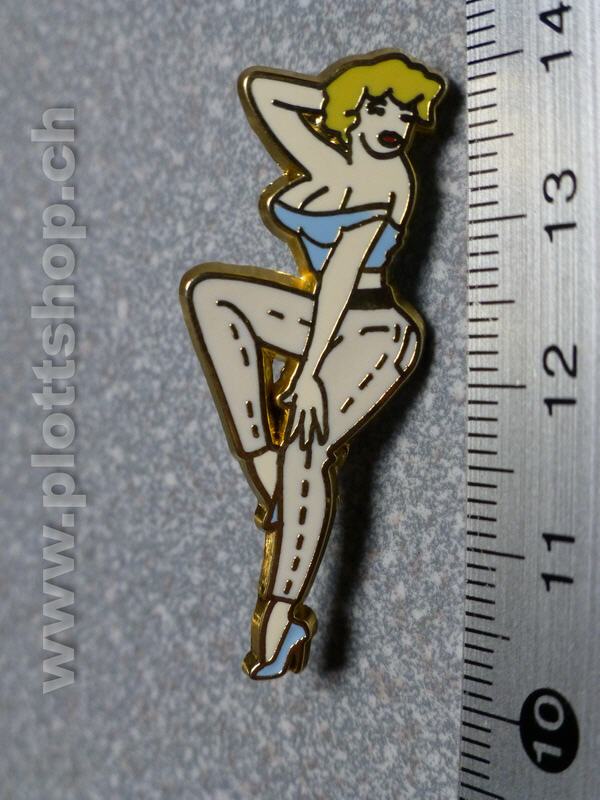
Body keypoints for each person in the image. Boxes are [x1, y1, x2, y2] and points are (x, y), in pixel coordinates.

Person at [180, 50, 445, 679]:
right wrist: (337, 96)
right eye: (382, 110)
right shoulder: (329, 160)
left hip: (374, 328)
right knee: (213, 296)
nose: (395, 127)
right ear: (354, 111)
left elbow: (341, 280)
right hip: (323, 315)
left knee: (308, 445)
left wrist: (308, 374)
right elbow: (263, 92)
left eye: (406, 117)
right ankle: (262, 461)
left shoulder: (392, 181)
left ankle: (282, 613)